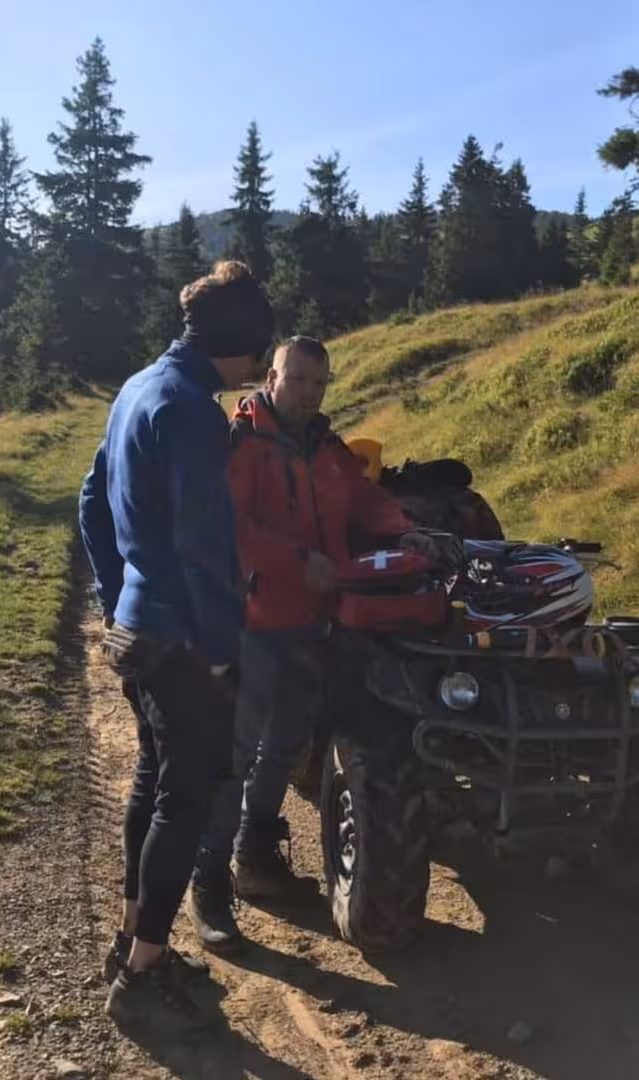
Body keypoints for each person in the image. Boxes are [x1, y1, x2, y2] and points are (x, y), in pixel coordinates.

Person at [187, 335, 433, 951]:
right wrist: (298, 561)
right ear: (270, 378)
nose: (307, 393)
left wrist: (404, 531)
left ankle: (254, 856)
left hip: (315, 621)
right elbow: (232, 527)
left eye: (318, 383)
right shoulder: (243, 444)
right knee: (235, 754)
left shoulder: (325, 445)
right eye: (296, 380)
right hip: (255, 620)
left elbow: (365, 500)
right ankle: (207, 883)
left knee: (287, 745)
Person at [78, 260, 274, 1033]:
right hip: (185, 638)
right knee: (184, 800)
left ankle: (132, 940)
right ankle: (143, 975)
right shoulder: (193, 411)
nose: (263, 360)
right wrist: (222, 651)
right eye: (262, 345)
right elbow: (202, 547)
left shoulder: (137, 388)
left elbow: (91, 501)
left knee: (153, 783)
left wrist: (115, 598)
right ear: (244, 342)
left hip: (140, 627)